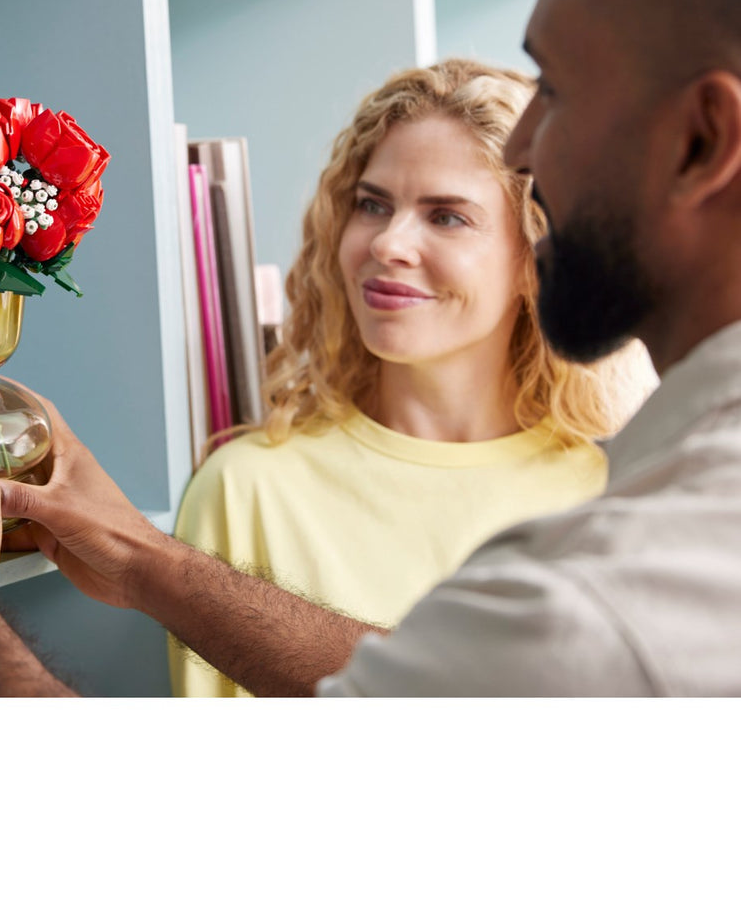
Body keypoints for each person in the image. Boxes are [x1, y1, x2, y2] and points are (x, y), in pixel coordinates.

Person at [0, 0, 741, 697]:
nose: (528, 150)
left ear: (702, 142)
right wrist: (149, 560)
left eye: (564, 91)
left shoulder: (607, 591)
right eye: (371, 205)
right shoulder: (658, 537)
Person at [170, 59, 651, 697]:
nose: (387, 244)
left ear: (536, 249)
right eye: (372, 205)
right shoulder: (245, 490)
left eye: (446, 215)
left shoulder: (615, 495)